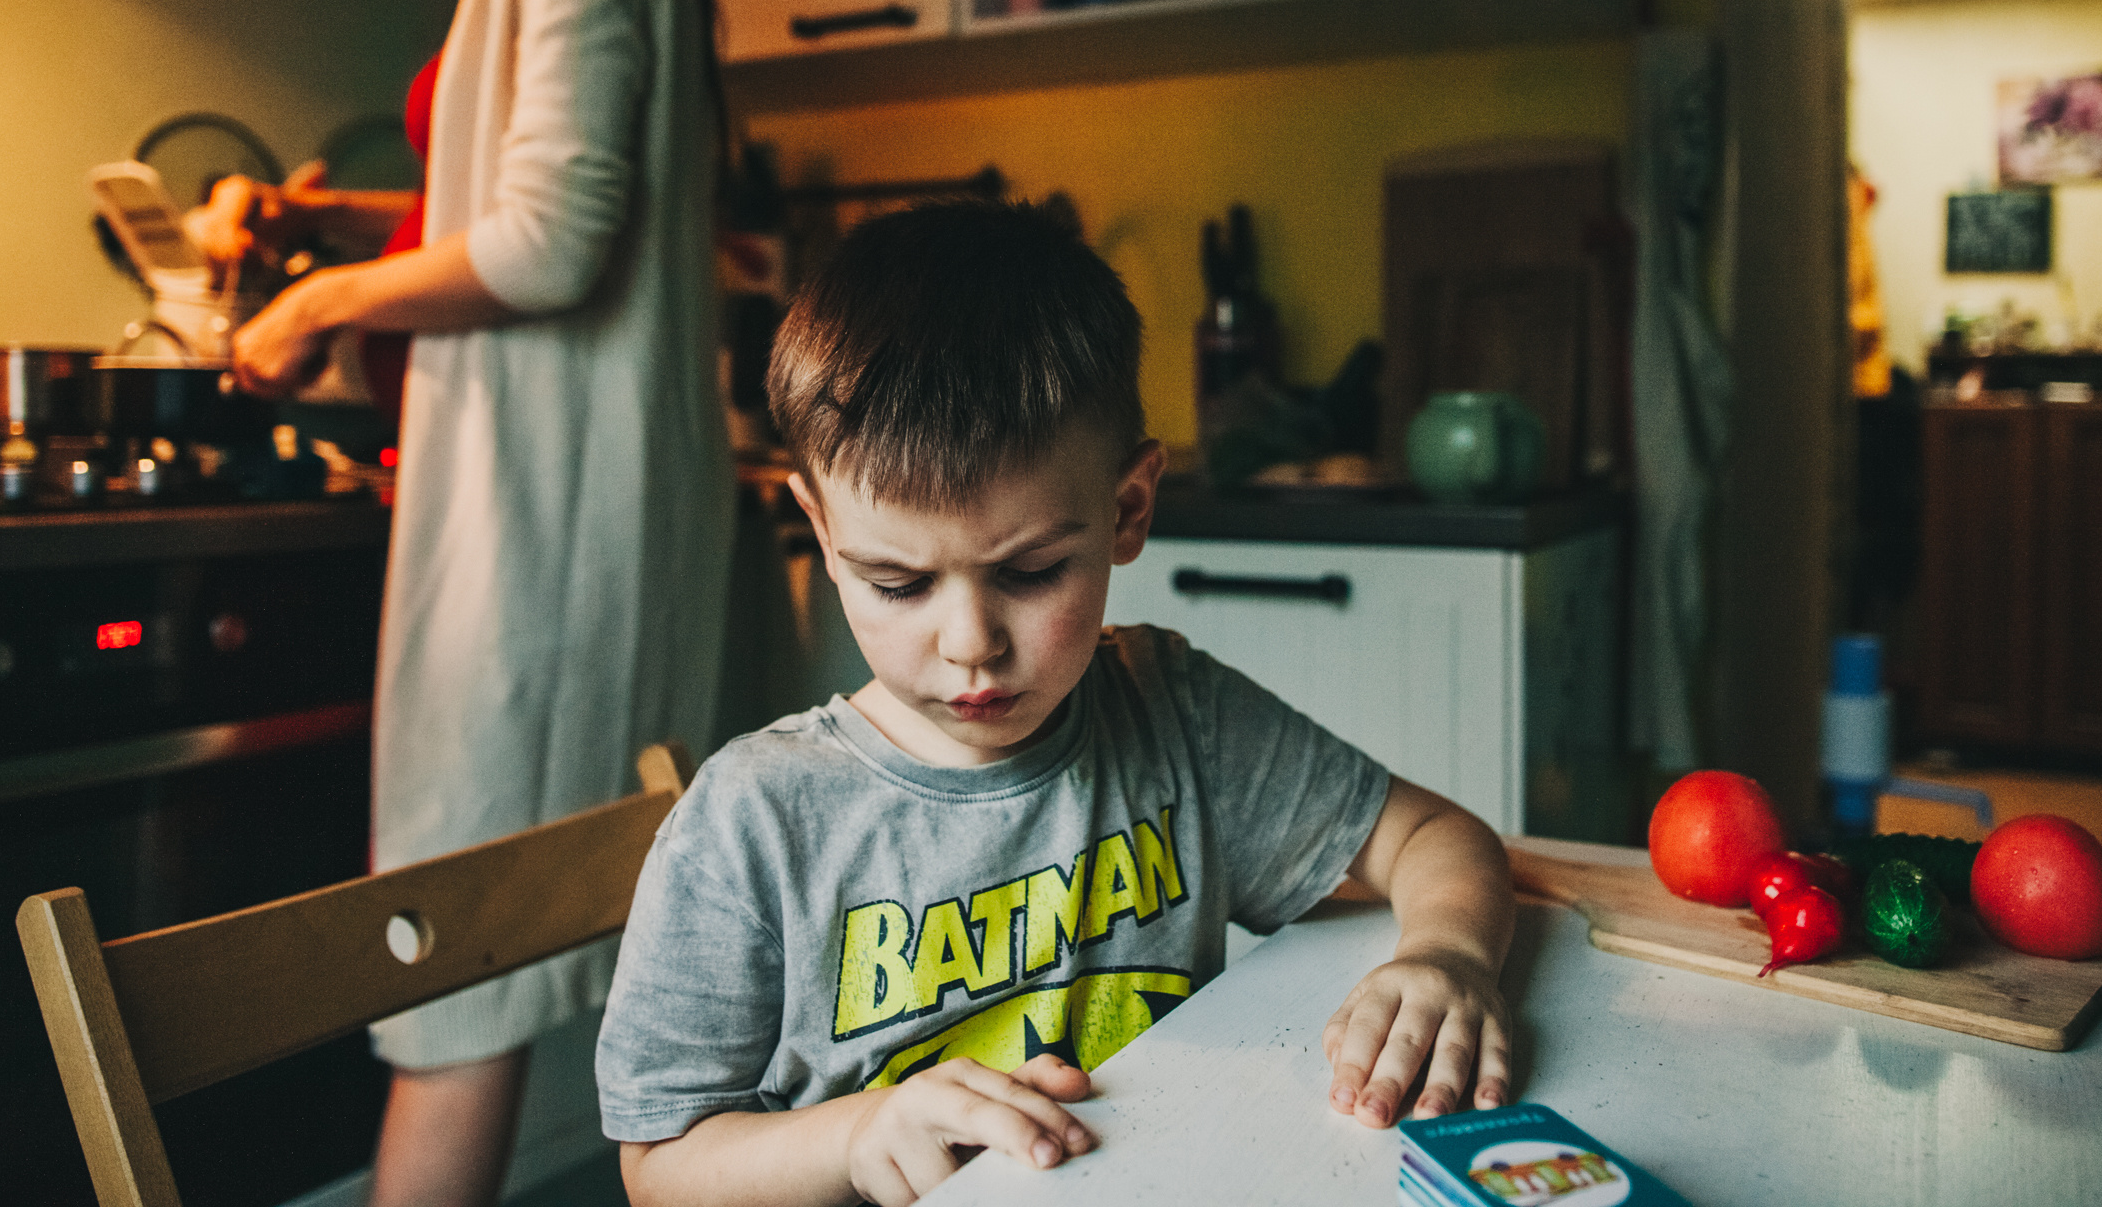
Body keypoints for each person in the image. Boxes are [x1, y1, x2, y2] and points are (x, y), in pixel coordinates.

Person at [596, 201, 1515, 1207]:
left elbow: (1433, 837)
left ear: (1127, 509)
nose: (971, 643)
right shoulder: (754, 820)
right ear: (821, 528)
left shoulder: (1175, 714)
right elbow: (659, 1167)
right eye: (899, 582)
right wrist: (856, 1133)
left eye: (1030, 572)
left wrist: (1447, 953)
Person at [208, 0, 735, 1207]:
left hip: (540, 534)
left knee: (457, 961)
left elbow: (552, 246)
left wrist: (316, 302)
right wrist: (326, 220)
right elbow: (508, 206)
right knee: (496, 946)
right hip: (562, 518)